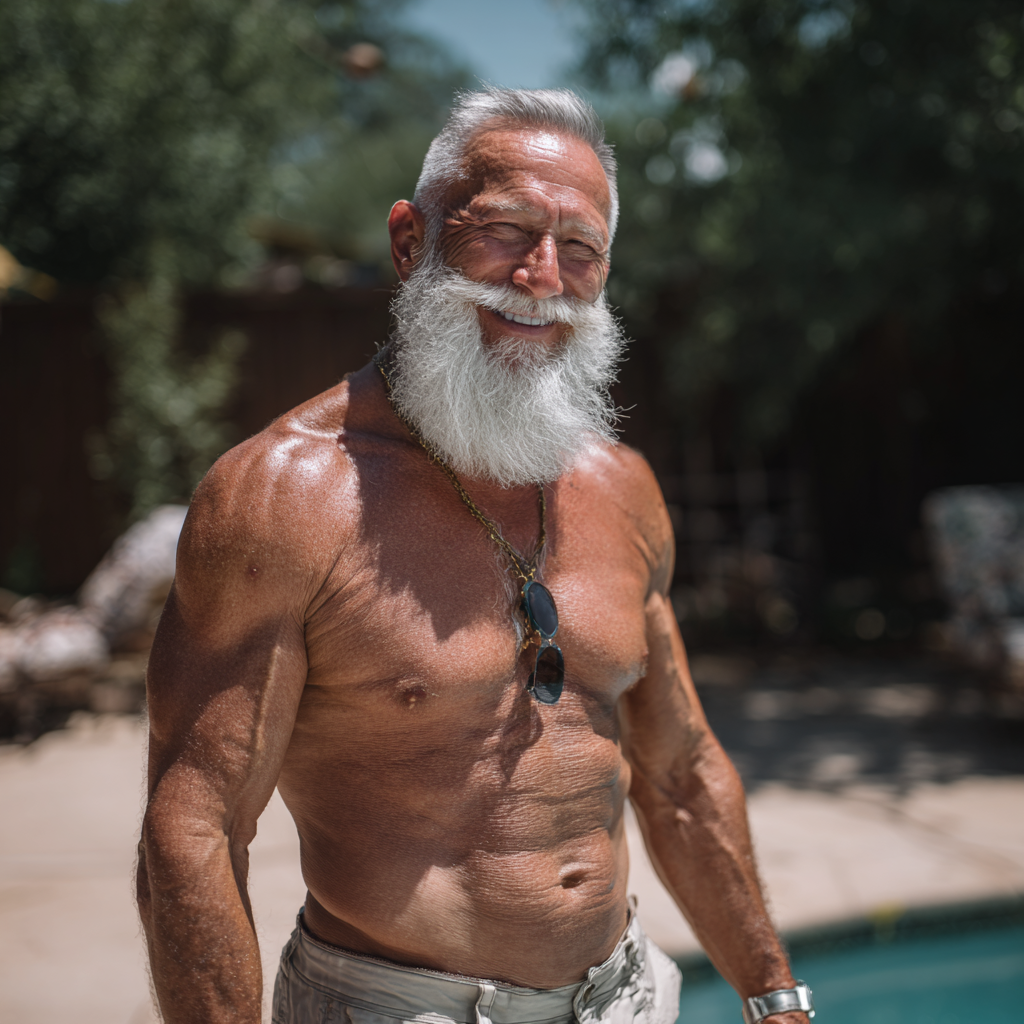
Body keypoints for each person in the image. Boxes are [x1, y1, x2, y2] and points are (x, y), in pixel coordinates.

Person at [137, 88, 813, 1024]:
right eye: (505, 230)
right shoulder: (285, 500)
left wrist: (776, 998)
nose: (542, 277)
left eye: (580, 247)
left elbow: (682, 774)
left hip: (625, 995)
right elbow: (194, 829)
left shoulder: (620, 487)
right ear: (409, 240)